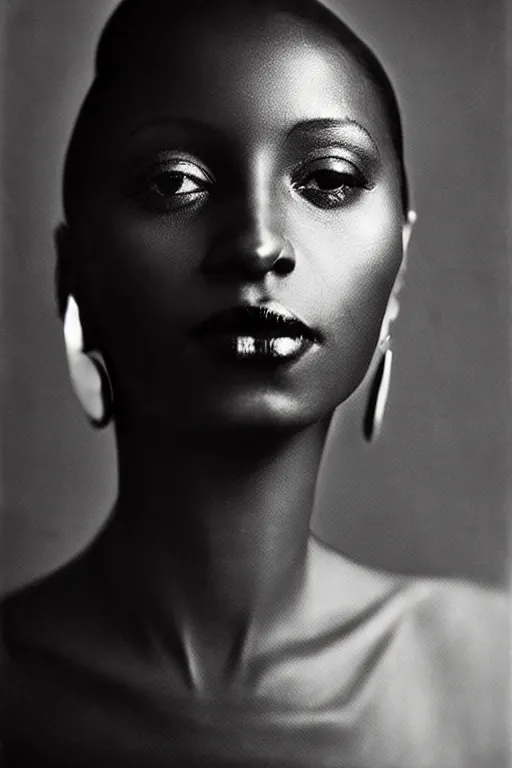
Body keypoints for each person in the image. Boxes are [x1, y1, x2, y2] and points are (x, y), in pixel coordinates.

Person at [0, 0, 507, 765]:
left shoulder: (493, 676)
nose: (260, 244)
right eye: (175, 184)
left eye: (329, 179)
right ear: (78, 277)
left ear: (398, 265)